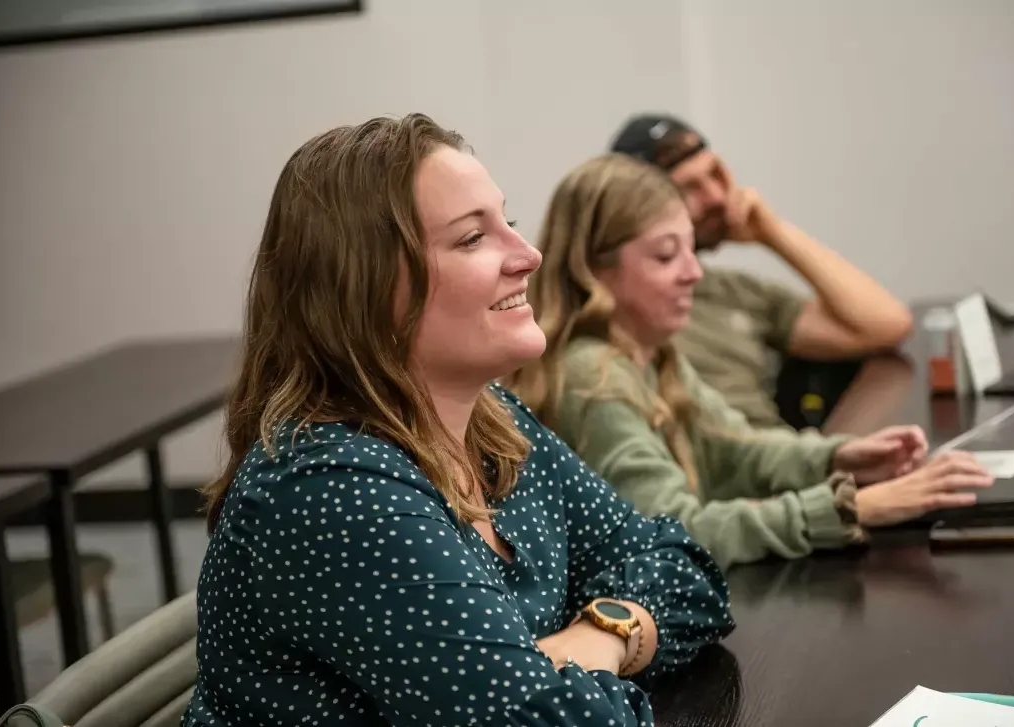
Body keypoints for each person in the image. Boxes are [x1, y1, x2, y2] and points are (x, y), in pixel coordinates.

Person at [181, 115, 734, 727]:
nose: (530, 256)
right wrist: (580, 666)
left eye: (510, 224)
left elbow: (681, 568)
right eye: (472, 239)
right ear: (361, 288)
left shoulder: (491, 424)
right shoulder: (333, 488)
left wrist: (600, 634)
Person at [507, 153, 992, 570]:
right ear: (595, 270)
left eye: (692, 251)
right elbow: (672, 532)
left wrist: (836, 457)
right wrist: (850, 508)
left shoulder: (649, 353)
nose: (694, 273)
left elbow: (735, 446)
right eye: (665, 257)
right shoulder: (593, 376)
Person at [609, 114, 914, 428]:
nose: (716, 196)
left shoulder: (732, 290)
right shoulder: (624, 310)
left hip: (787, 461)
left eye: (716, 174)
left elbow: (886, 325)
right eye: (689, 188)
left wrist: (772, 233)